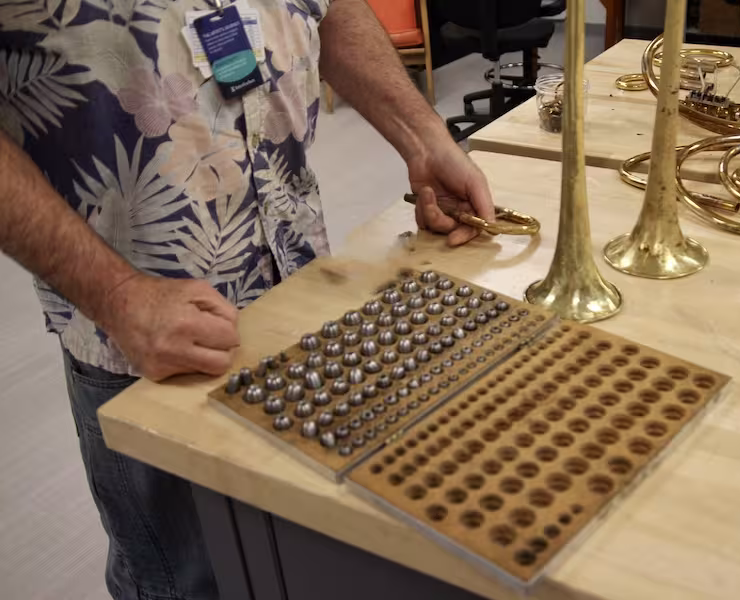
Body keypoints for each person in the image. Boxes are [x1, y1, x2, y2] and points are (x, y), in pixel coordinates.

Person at [0, 1, 494, 598]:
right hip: (152, 347)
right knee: (189, 581)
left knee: (301, 559)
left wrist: (423, 137)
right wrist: (116, 293)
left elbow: (329, 9)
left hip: (303, 294)